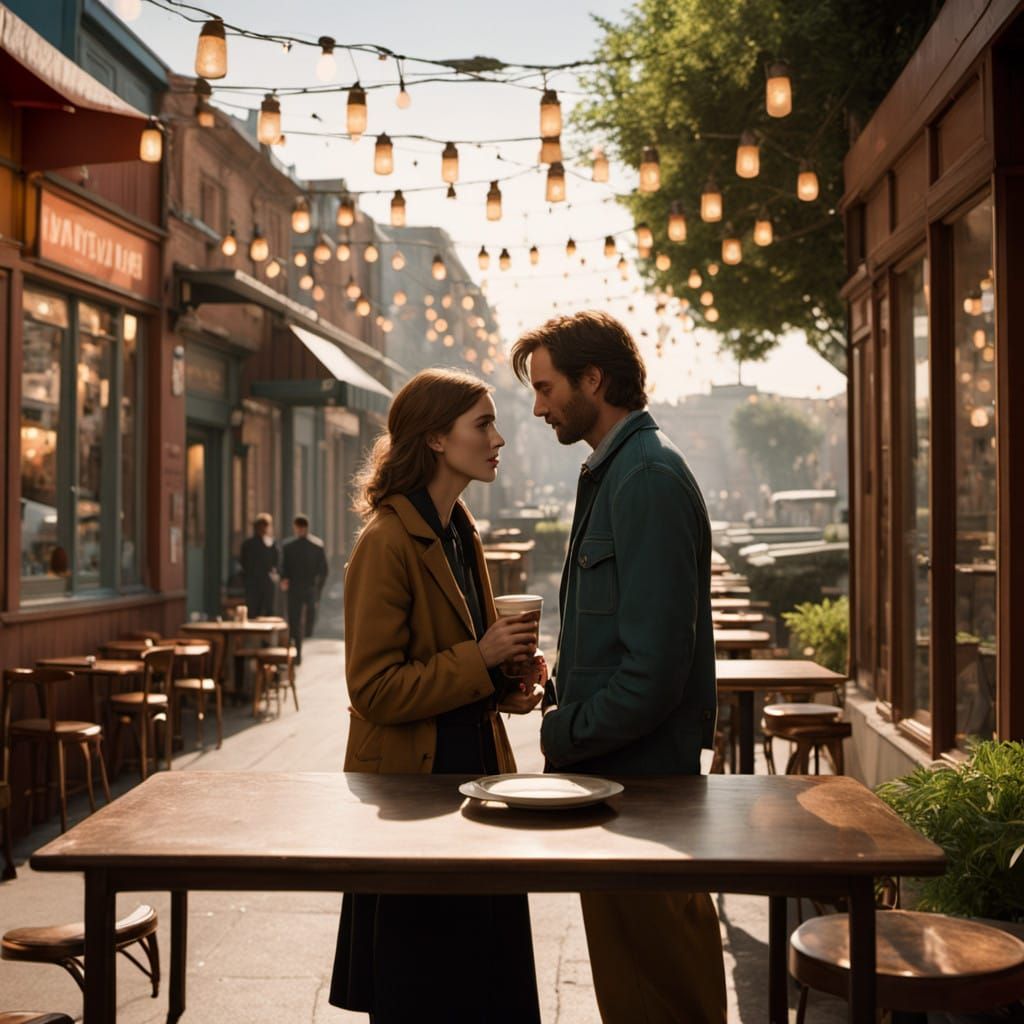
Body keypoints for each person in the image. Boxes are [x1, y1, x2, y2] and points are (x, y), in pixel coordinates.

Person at [510, 310, 727, 1024]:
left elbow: (656, 669)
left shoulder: (646, 477)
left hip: (641, 789)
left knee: (660, 993)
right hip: (619, 786)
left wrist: (562, 731)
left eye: (546, 389)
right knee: (636, 987)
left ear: (593, 380)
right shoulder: (619, 471)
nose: (538, 408)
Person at [329, 368, 544, 1023]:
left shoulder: (459, 532)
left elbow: (459, 674)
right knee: (424, 992)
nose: (499, 437)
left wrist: (509, 681)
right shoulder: (386, 542)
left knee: (484, 992)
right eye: (482, 423)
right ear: (434, 439)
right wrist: (477, 658)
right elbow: (372, 689)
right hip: (414, 800)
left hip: (472, 788)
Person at [280, 514, 328, 665]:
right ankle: (301, 645)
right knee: (305, 619)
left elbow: (284, 568)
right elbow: (324, 571)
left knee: (295, 621)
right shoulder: (317, 546)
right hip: (309, 587)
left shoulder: (289, 547)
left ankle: (298, 649)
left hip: (296, 587)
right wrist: (318, 588)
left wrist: (285, 579)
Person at [239, 513, 279, 617]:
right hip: (255, 583)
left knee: (265, 611)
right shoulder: (249, 544)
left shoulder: (270, 543)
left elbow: (276, 562)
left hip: (261, 582)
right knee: (255, 611)